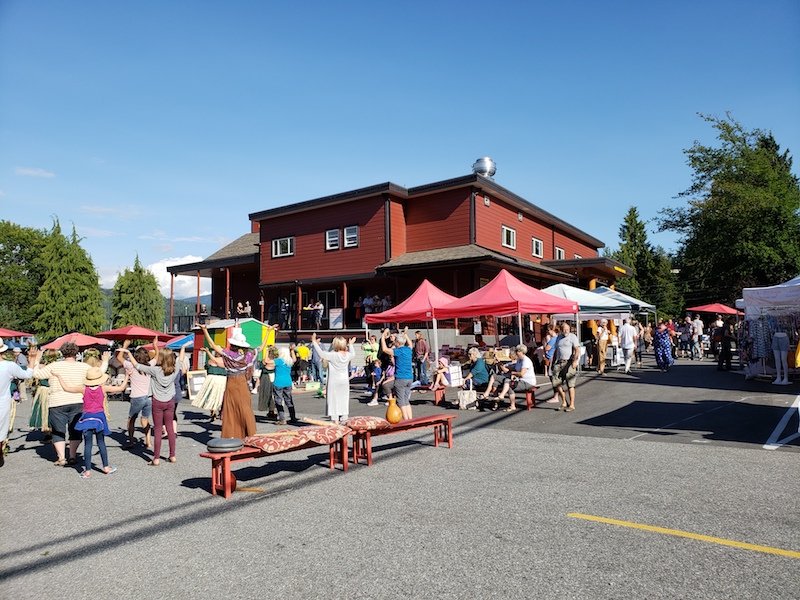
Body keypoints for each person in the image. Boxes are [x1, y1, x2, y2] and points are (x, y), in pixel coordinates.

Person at [33, 343, 109, 467]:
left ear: (62, 353)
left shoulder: (54, 366)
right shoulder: (83, 366)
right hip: (78, 401)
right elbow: (99, 373)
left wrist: (36, 360)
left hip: (57, 401)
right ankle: (73, 455)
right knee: (75, 430)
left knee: (58, 431)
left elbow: (37, 374)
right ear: (76, 353)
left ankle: (62, 457)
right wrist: (105, 361)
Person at [54, 367, 128, 478]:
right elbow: (121, 388)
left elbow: (66, 388)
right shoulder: (103, 388)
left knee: (88, 444)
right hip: (99, 418)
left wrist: (59, 376)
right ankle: (106, 467)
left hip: (86, 418)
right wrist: (127, 375)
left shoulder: (83, 389)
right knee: (101, 443)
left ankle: (87, 471)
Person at [199, 325, 259, 439]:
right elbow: (260, 347)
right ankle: (250, 434)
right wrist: (269, 332)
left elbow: (212, 345)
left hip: (231, 382)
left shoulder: (228, 354)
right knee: (245, 408)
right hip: (242, 382)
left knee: (230, 409)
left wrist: (205, 330)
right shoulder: (248, 356)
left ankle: (230, 435)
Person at [124, 348, 180, 465]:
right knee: (170, 428)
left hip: (157, 401)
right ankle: (172, 455)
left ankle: (156, 458)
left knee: (158, 430)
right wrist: (183, 349)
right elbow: (180, 359)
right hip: (170, 401)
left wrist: (129, 353)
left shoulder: (154, 370)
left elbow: (137, 366)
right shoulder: (175, 369)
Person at [1, 339, 36, 466]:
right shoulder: (9, 365)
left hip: (3, 402)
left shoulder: (9, 365)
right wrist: (32, 360)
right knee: (1, 430)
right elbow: (27, 374)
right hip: (2, 402)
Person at [312, 333, 355, 424]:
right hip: (344, 381)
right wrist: (351, 344)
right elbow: (353, 354)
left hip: (334, 380)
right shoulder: (347, 355)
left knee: (333, 399)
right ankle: (344, 417)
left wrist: (314, 342)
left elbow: (321, 353)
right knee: (344, 398)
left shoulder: (333, 355)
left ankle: (335, 419)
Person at [120, 344, 154, 449]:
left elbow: (118, 358)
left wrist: (125, 346)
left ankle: (130, 441)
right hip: (148, 397)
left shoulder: (131, 366)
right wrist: (155, 345)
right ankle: (148, 441)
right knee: (145, 419)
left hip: (137, 397)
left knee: (131, 419)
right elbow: (156, 356)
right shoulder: (150, 366)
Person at [380, 327, 414, 421]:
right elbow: (410, 343)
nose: (394, 342)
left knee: (401, 401)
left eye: (395, 342)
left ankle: (406, 420)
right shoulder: (408, 350)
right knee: (406, 400)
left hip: (400, 378)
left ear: (398, 343)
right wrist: (405, 335)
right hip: (410, 378)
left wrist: (383, 337)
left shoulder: (398, 351)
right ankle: (411, 420)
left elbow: (384, 349)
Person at [495, 344, 537, 411]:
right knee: (507, 382)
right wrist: (500, 364)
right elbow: (510, 369)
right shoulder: (519, 360)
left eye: (517, 351)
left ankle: (507, 401)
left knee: (509, 384)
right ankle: (508, 402)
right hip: (521, 381)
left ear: (521, 352)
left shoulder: (526, 360)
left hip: (528, 382)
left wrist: (513, 373)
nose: (516, 352)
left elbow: (521, 374)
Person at [550, 322, 580, 411]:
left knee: (570, 384)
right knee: (556, 382)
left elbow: (577, 349)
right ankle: (563, 401)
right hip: (559, 362)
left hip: (569, 362)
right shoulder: (559, 337)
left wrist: (575, 361)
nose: (565, 331)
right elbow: (556, 350)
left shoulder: (572, 337)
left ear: (569, 329)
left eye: (567, 329)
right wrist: (553, 362)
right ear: (561, 330)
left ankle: (571, 405)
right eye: (564, 329)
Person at [272, 346, 295, 425]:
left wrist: (268, 352)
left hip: (278, 382)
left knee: (278, 400)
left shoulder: (278, 361)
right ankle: (293, 417)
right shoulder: (290, 361)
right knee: (289, 400)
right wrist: (292, 351)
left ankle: (282, 419)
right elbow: (294, 359)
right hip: (288, 382)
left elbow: (266, 362)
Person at [256, 346, 277, 420]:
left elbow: (265, 362)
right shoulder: (276, 360)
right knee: (272, 394)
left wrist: (266, 351)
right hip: (274, 377)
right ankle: (272, 410)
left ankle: (270, 410)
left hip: (266, 377)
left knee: (266, 393)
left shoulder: (266, 360)